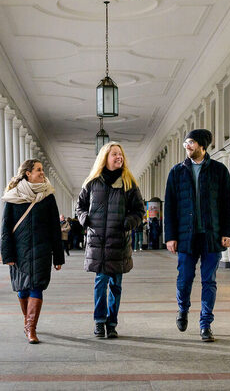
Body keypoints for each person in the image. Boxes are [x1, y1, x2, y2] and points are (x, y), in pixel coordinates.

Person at [163, 128, 230, 342]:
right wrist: (170, 236)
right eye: (186, 143)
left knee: (209, 281)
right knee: (184, 279)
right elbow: (170, 207)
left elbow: (226, 205)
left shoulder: (219, 171)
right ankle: (183, 309)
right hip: (186, 236)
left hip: (211, 236)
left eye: (191, 142)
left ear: (202, 145)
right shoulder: (176, 172)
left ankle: (205, 324)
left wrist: (227, 232)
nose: (187, 146)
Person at [75, 142, 144, 339]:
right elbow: (79, 206)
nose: (119, 157)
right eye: (114, 154)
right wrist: (83, 218)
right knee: (100, 282)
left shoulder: (129, 184)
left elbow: (139, 210)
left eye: (120, 154)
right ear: (105, 157)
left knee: (116, 285)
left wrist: (129, 222)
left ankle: (112, 323)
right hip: (97, 242)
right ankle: (99, 321)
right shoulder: (92, 183)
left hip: (118, 242)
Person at [1, 158, 64, 344]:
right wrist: (8, 255)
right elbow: (6, 228)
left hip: (42, 251)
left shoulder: (48, 196)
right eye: (38, 169)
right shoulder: (13, 196)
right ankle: (27, 321)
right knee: (22, 290)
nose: (42, 172)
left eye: (42, 169)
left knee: (37, 287)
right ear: (28, 173)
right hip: (19, 252)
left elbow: (55, 228)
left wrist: (58, 256)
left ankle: (31, 328)